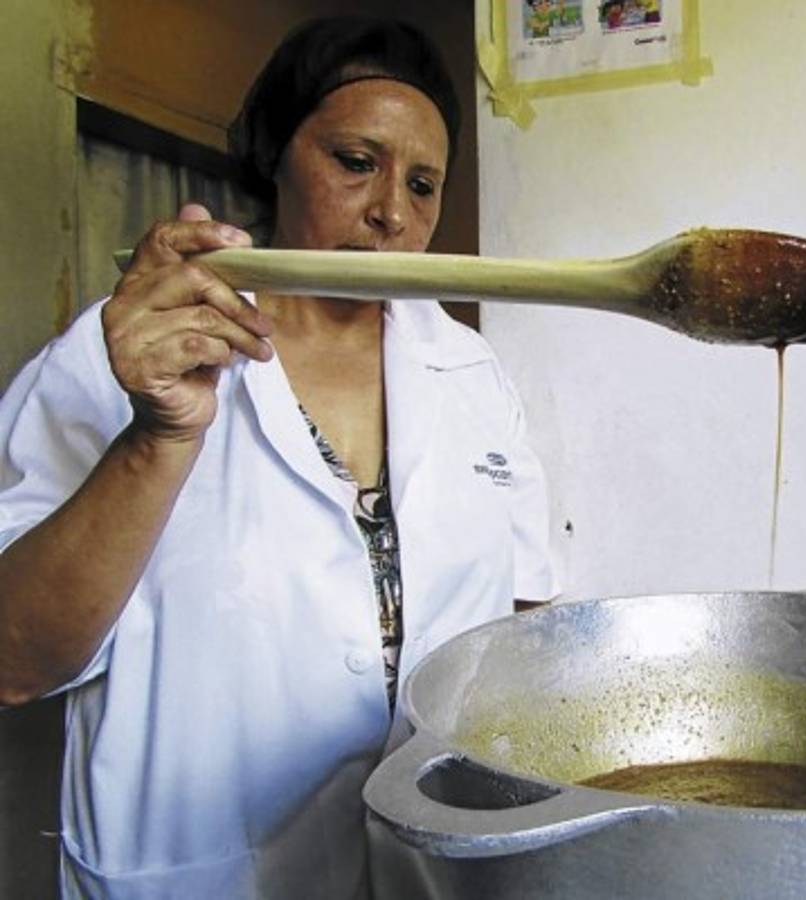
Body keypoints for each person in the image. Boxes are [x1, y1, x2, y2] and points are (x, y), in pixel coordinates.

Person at [0, 16, 556, 899]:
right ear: (276, 156)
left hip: (426, 866)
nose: (392, 214)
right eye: (354, 161)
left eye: (423, 184)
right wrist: (158, 438)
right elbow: (15, 660)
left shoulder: (470, 371)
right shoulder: (122, 357)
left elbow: (524, 622)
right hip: (206, 871)